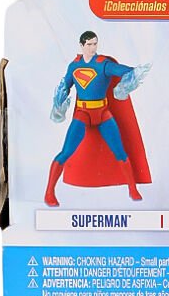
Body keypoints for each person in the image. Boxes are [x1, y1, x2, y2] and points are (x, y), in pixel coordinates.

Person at [45, 31, 150, 206]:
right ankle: (49, 192)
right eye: (89, 44)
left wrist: (133, 75)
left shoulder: (103, 64)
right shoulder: (74, 66)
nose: (93, 47)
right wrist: (58, 105)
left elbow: (121, 70)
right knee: (66, 152)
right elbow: (65, 86)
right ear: (81, 45)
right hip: (82, 113)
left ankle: (132, 188)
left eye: (95, 44)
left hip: (103, 113)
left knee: (120, 151)